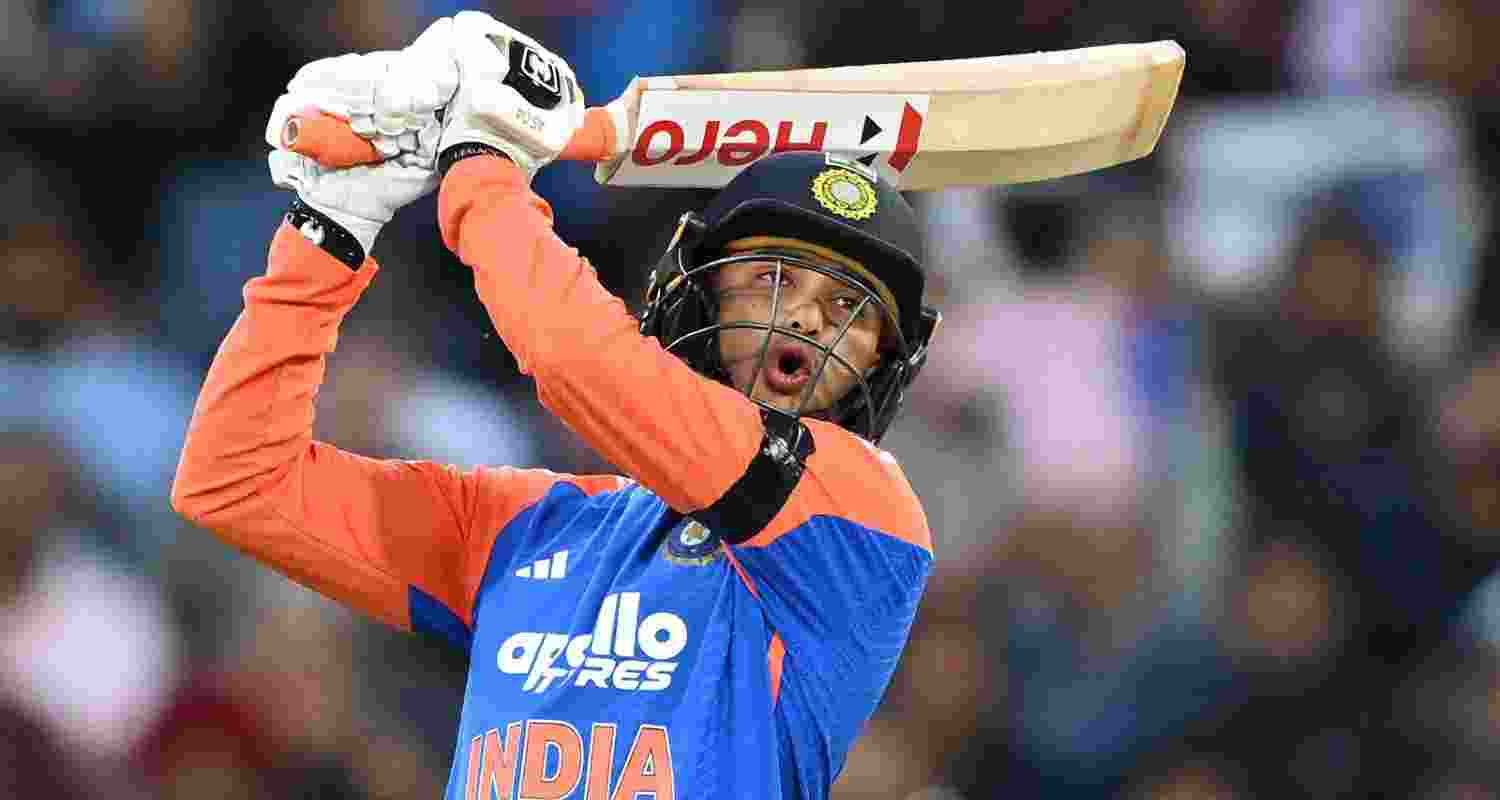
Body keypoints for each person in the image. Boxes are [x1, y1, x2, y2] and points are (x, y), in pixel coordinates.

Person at [172, 12, 941, 799]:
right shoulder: (527, 528)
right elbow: (237, 482)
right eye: (773, 279)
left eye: (851, 304)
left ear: (884, 361)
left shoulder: (860, 522)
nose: (811, 318)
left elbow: (576, 359)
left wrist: (482, 161)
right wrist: (335, 226)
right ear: (694, 291)